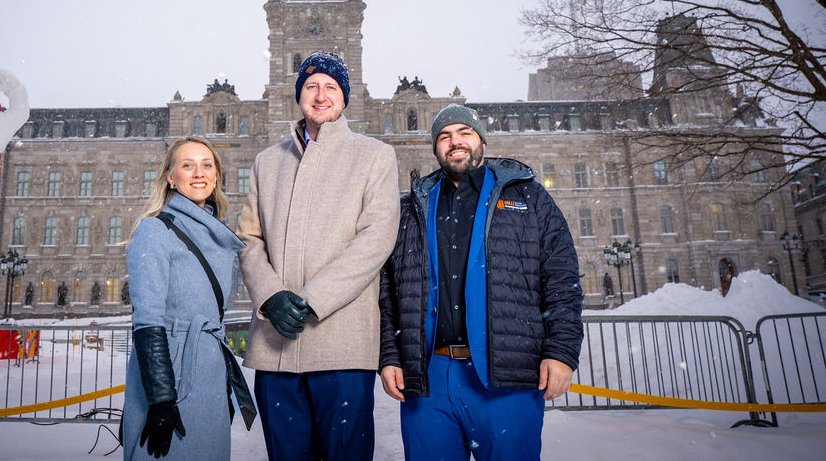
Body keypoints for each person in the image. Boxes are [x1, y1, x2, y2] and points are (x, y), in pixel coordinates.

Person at [379, 104, 583, 461]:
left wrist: (561, 353)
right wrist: (390, 356)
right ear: (435, 148)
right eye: (444, 136)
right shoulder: (410, 209)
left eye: (464, 133)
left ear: (482, 142)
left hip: (506, 374)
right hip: (429, 379)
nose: (454, 142)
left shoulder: (528, 198)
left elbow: (562, 278)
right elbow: (388, 292)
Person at [238, 51, 400, 460]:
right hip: (277, 347)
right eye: (311, 86)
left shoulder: (375, 156)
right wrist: (270, 296)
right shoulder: (266, 162)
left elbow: (375, 240)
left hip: (342, 348)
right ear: (300, 96)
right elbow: (249, 238)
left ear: (344, 98)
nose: (321, 95)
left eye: (331, 87)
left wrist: (312, 299)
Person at [123, 137, 254, 460]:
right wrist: (161, 398)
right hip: (175, 374)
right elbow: (148, 320)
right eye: (187, 165)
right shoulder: (154, 230)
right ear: (170, 177)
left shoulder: (214, 232)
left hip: (209, 372)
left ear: (216, 176)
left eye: (207, 165)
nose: (199, 173)